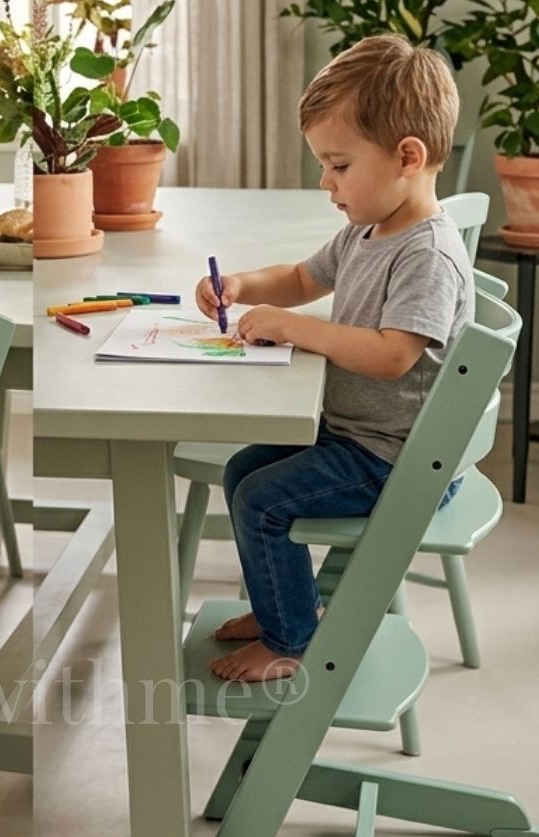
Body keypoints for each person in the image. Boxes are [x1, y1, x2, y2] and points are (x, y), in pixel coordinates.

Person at [193, 34, 473, 684]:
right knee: (243, 472)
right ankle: (281, 608)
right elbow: (298, 277)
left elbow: (393, 356)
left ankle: (290, 639)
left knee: (263, 498)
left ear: (408, 157)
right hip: (361, 437)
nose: (326, 182)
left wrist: (296, 330)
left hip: (396, 460)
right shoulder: (367, 231)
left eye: (339, 165)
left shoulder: (425, 254)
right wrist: (239, 286)